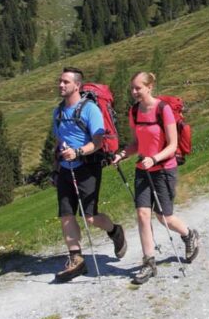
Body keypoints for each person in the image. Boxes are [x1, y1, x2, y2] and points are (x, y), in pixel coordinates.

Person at [115, 71, 199, 284]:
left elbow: (172, 145)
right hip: (143, 169)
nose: (134, 92)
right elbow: (136, 143)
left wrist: (154, 158)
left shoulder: (164, 109)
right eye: (132, 88)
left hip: (164, 169)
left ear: (150, 87)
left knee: (164, 217)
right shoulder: (134, 112)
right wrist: (124, 154)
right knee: (143, 214)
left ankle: (189, 235)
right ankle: (148, 263)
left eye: (138, 88)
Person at [51, 66, 127, 282]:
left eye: (66, 82)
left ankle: (115, 231)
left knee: (91, 216)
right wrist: (55, 168)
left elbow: (98, 141)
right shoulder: (57, 112)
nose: (61, 85)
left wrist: (77, 152)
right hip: (66, 169)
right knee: (66, 214)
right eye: (60, 81)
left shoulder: (90, 109)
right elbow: (57, 143)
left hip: (87, 167)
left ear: (77, 85)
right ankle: (76, 259)